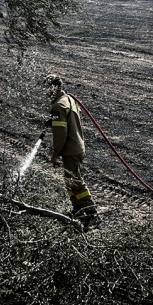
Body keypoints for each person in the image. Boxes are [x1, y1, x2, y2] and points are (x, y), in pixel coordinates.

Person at [44, 74, 101, 230]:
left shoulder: (58, 106)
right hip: (78, 147)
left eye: (47, 89)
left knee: (75, 181)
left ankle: (92, 213)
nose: (46, 93)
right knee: (71, 180)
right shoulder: (69, 99)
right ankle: (78, 210)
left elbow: (60, 135)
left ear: (53, 89)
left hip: (70, 150)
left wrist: (55, 154)